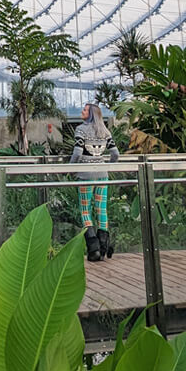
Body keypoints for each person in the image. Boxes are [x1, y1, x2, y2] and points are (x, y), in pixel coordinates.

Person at [70, 102, 119, 262]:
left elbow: (77, 152)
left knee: (85, 209)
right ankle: (103, 247)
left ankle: (93, 248)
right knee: (101, 209)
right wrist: (108, 165)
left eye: (84, 109)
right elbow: (115, 153)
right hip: (102, 173)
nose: (82, 111)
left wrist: (70, 168)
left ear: (90, 113)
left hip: (85, 174)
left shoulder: (81, 129)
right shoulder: (105, 131)